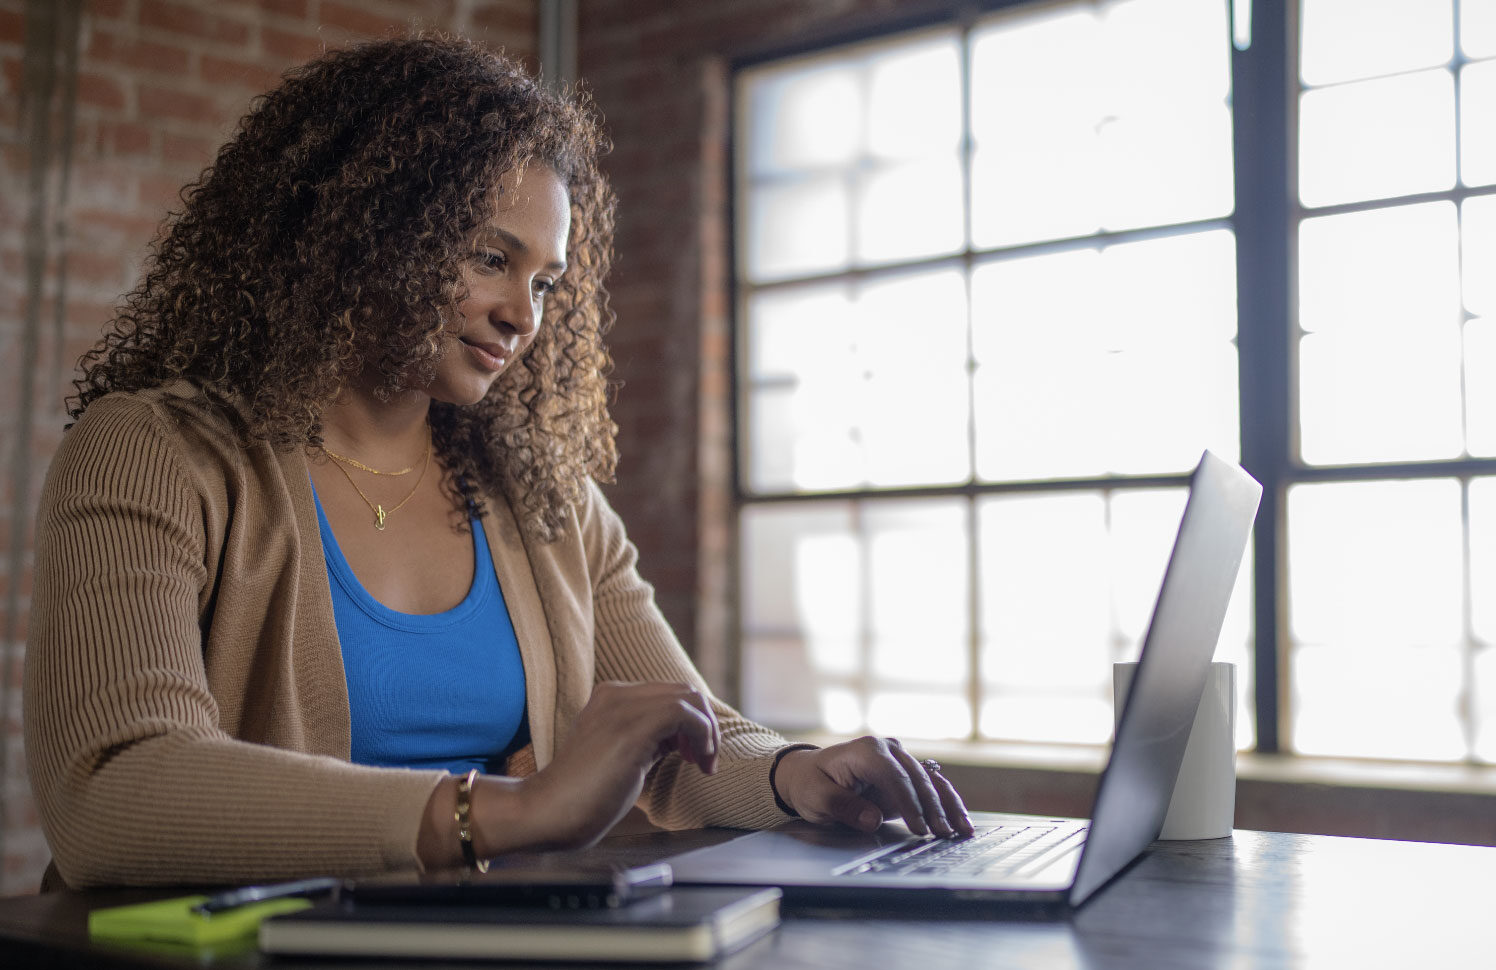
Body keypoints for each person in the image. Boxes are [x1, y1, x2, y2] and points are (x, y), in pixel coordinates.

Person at [23, 34, 972, 891]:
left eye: (546, 281)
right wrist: (507, 813)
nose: (525, 316)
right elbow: (117, 787)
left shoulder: (544, 499)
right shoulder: (155, 453)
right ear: (362, 230)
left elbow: (683, 741)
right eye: (489, 257)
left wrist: (794, 772)